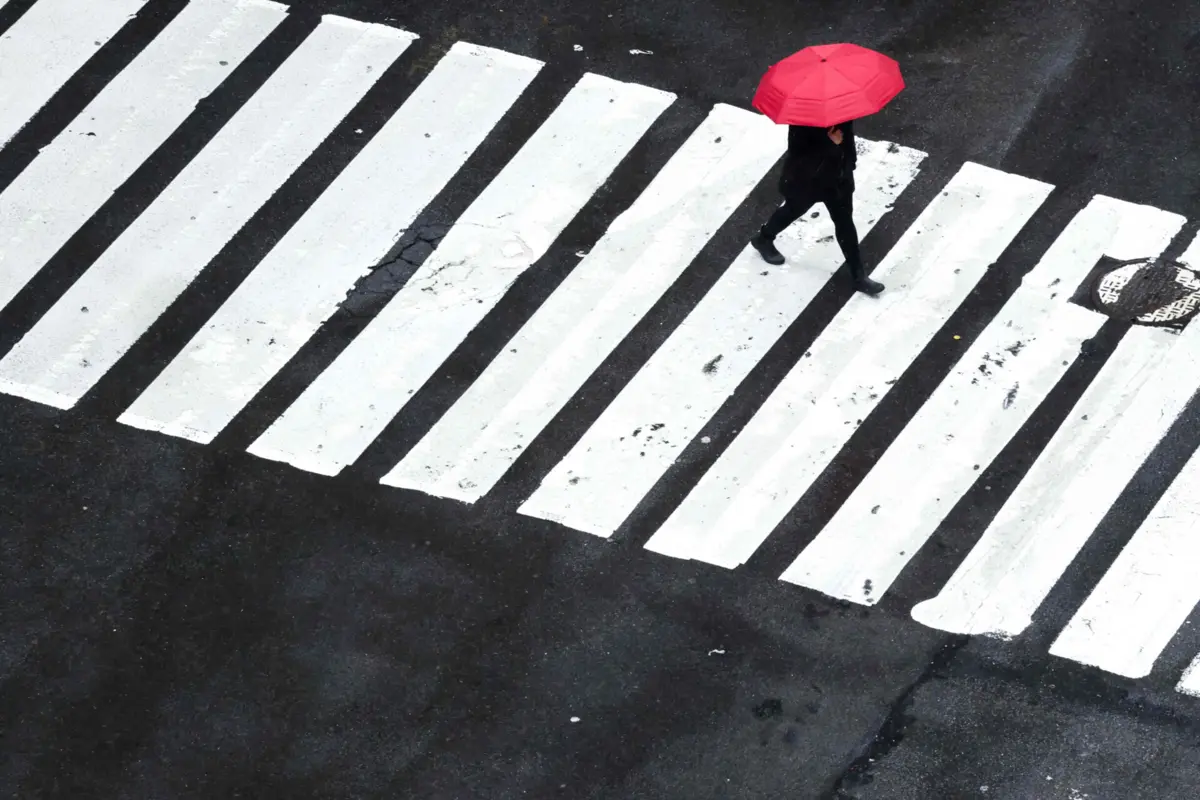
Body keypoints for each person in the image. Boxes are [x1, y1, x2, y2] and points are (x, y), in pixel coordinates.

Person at [749, 120, 884, 296]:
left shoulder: (842, 114)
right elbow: (800, 154)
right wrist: (832, 145)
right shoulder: (802, 121)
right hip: (808, 182)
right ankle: (764, 238)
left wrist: (849, 163)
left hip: (838, 181)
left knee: (845, 224)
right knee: (792, 210)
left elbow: (848, 141)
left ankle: (859, 277)